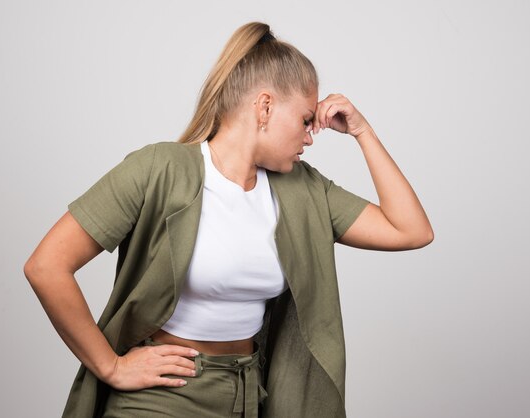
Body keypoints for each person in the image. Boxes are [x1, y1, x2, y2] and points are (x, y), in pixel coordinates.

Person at [24, 21, 433, 418]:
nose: (311, 136)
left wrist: (362, 131)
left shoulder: (303, 190)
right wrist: (111, 367)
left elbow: (411, 230)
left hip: (252, 397)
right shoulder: (159, 168)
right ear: (265, 107)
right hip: (164, 399)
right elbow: (46, 266)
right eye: (306, 120)